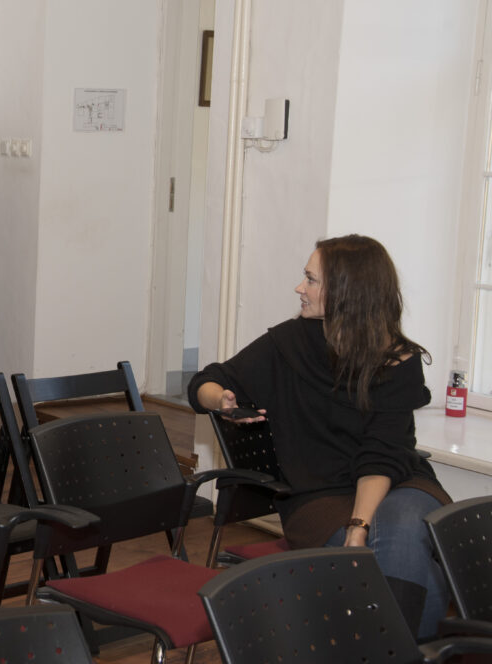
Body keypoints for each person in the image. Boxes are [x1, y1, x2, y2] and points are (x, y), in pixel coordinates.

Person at [188, 234, 451, 639]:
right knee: (424, 579)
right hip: (320, 497)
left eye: (311, 280)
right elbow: (206, 381)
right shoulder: (287, 345)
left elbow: (381, 456)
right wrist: (220, 401)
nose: (300, 288)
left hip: (396, 482)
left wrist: (358, 527)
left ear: (347, 292)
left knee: (398, 532)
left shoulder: (397, 359)